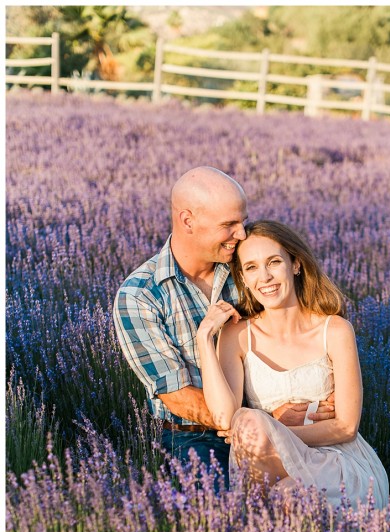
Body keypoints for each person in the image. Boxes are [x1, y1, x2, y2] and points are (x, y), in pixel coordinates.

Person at [113, 168, 335, 485]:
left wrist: (326, 395)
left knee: (309, 504)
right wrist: (265, 422)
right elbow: (178, 397)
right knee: (226, 517)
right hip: (195, 437)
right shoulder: (140, 296)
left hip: (289, 418)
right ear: (188, 221)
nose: (242, 234)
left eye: (242, 221)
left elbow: (307, 326)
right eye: (229, 225)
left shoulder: (247, 265)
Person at [196, 219, 389, 510]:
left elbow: (346, 427)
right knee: (251, 429)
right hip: (270, 462)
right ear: (243, 279)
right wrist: (203, 338)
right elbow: (226, 420)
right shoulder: (236, 335)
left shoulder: (335, 330)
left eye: (274, 262)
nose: (265, 277)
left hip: (335, 461)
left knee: (287, 491)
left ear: (295, 264)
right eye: (251, 268)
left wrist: (273, 434)